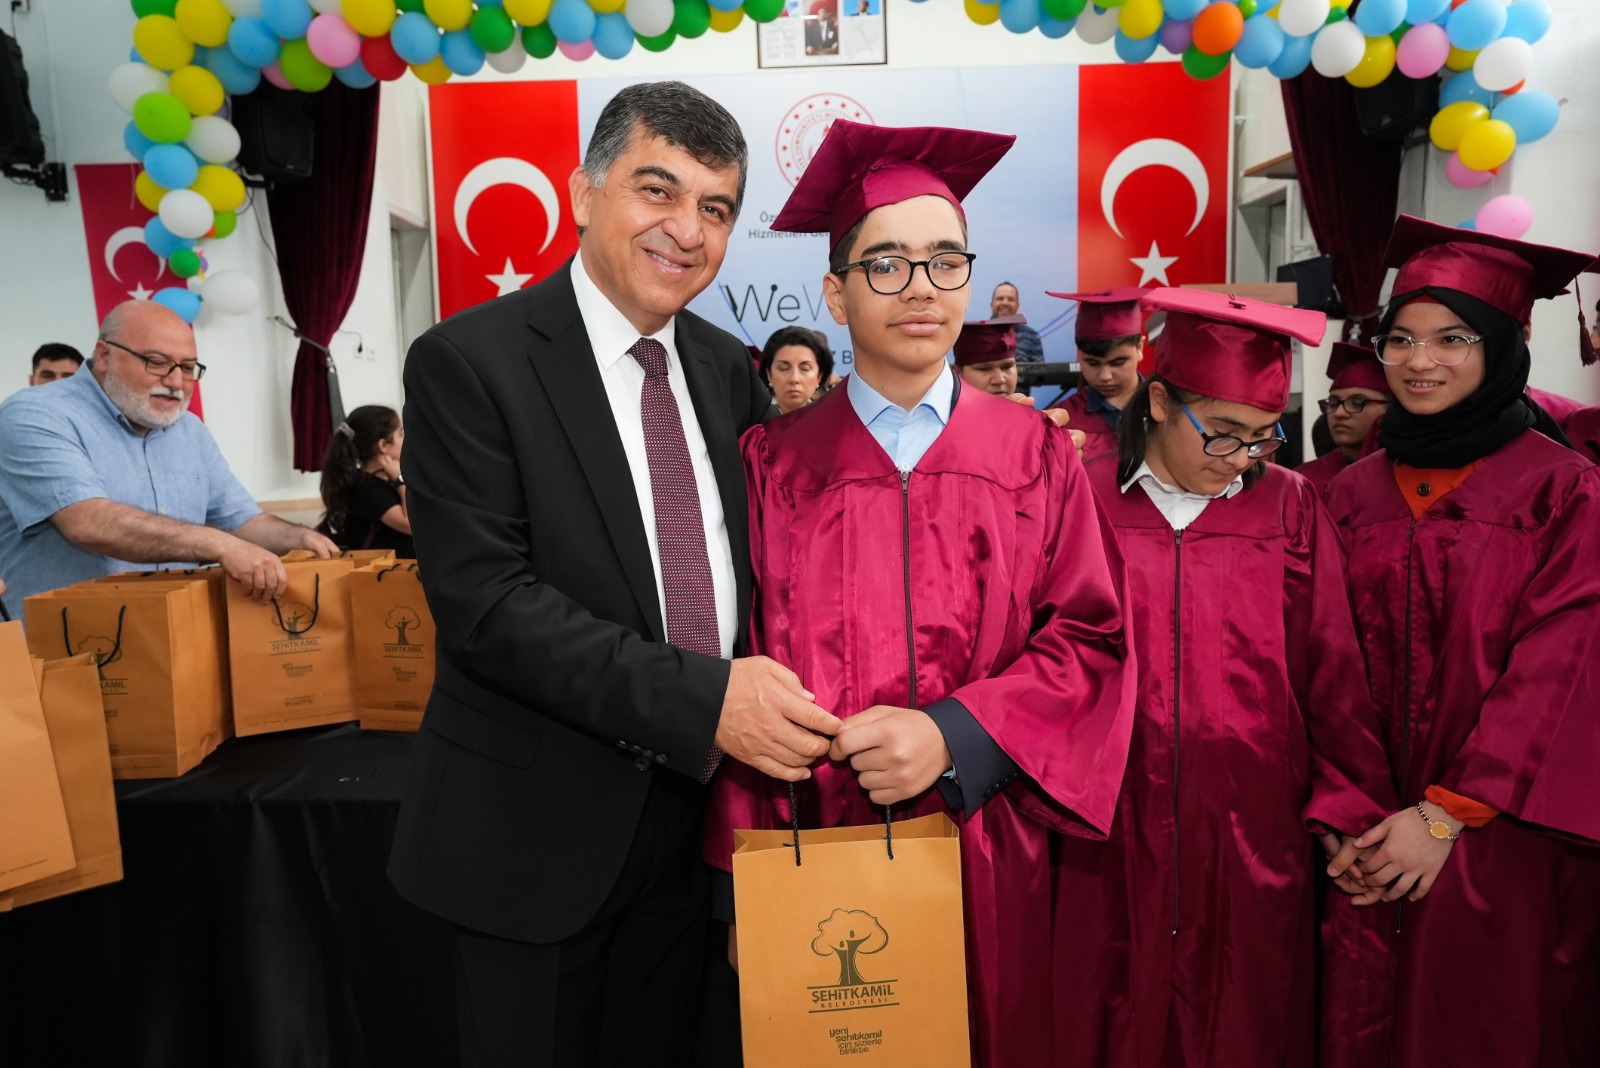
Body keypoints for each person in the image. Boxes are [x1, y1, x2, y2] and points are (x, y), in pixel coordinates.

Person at [387, 81, 842, 1068]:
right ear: (584, 192)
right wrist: (706, 700)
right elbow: (488, 608)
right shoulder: (469, 362)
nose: (686, 229)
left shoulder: (727, 370)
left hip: (699, 835)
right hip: (534, 838)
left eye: (715, 208)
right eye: (656, 190)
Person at [703, 119, 1136, 1067]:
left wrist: (957, 735)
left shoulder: (1033, 454)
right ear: (836, 291)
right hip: (815, 842)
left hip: (988, 836)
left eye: (945, 261)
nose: (921, 288)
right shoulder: (772, 462)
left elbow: (1091, 638)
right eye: (887, 263)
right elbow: (737, 669)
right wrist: (743, 880)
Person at [1053, 288, 1394, 1068]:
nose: (1243, 458)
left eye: (1264, 436)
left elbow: (1332, 670)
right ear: (1160, 402)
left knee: (1245, 1018)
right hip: (1105, 826)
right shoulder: (1081, 497)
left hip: (1253, 824)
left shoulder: (1289, 508)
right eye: (1225, 433)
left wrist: (1350, 802)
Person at [1321, 217, 1600, 1068]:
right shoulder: (1347, 495)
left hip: (1502, 834)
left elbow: (1563, 667)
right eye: (1401, 339)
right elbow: (1315, 662)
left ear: (1506, 346)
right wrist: (1344, 810)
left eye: (1452, 339)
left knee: (1486, 1021)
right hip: (1364, 838)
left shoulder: (1565, 493)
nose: (1420, 362)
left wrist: (1445, 814)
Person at [0, 301, 334, 611]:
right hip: (61, 642)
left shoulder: (190, 430)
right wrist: (218, 545)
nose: (175, 381)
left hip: (172, 635)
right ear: (104, 356)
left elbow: (242, 521)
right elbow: (87, 522)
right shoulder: (35, 414)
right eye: (157, 362)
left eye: (187, 368)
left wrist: (300, 537)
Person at [1046, 287, 1146, 462]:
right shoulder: (1062, 419)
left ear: (1139, 348)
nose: (1105, 376)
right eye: (1092, 363)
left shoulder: (1167, 410)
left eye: (1118, 362)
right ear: (1079, 355)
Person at [1296, 341, 1393, 496]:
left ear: (1390, 408)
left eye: (1357, 402)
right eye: (1333, 403)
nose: (1339, 413)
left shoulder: (1406, 472)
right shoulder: (1305, 481)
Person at [318, 404, 414, 557]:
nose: (407, 440)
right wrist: (400, 479)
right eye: (401, 434)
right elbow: (411, 524)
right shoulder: (368, 490)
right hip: (387, 569)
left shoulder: (382, 480)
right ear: (383, 445)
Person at [757, 325, 832, 414]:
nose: (794, 379)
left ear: (819, 376)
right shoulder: (754, 420)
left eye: (805, 369)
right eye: (783, 368)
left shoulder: (833, 419)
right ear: (769, 374)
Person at [989, 281, 1044, 362]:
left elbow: (1039, 369)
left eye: (1010, 299)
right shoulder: (977, 334)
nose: (1005, 303)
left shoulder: (1031, 335)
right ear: (991, 305)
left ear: (1017, 306)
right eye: (1000, 299)